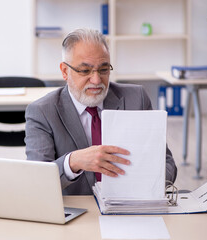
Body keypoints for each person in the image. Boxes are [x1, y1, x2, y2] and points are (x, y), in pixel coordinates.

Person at [25, 28, 177, 195]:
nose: (96, 80)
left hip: (130, 208)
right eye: (85, 71)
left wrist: (143, 187)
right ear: (64, 71)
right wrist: (72, 162)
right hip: (77, 212)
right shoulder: (42, 112)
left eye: (104, 69)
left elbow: (167, 164)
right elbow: (37, 182)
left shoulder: (136, 98)